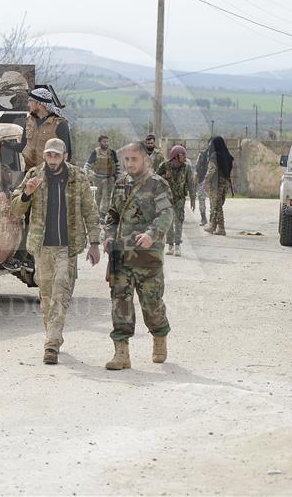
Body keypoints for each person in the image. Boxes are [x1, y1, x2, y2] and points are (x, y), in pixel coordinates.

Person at [10, 138, 101, 365]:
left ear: (65, 157)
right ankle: (54, 335)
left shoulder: (78, 177)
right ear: (45, 156)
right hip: (42, 247)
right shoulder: (34, 176)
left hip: (67, 248)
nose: (52, 159)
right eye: (49, 155)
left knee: (61, 291)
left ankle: (51, 344)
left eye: (56, 155)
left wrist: (95, 243)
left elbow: (90, 211)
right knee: (47, 297)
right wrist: (26, 195)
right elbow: (15, 210)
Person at [102, 141, 174, 370]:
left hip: (148, 259)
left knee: (152, 305)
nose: (130, 163)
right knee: (120, 304)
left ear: (145, 159)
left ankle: (160, 335)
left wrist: (152, 234)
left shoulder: (157, 185)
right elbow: (112, 215)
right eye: (127, 159)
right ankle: (121, 354)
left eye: (134, 159)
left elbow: (166, 213)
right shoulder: (121, 184)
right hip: (122, 257)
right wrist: (109, 236)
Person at [16, 86, 72, 169]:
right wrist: (6, 145)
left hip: (49, 174)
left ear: (39, 104)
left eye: (30, 101)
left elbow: (66, 154)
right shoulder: (29, 121)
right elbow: (23, 146)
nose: (28, 105)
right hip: (30, 172)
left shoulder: (60, 124)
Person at [157, 145, 196, 257]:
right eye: (182, 154)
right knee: (168, 221)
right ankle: (170, 245)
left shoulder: (186, 167)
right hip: (166, 198)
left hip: (179, 198)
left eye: (185, 154)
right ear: (175, 155)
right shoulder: (165, 165)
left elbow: (190, 183)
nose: (185, 156)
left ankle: (177, 245)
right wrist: (165, 176)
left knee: (179, 221)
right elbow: (154, 178)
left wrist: (193, 199)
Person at [204, 136, 235, 236]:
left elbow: (211, 169)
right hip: (225, 183)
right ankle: (213, 225)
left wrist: (206, 181)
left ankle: (221, 227)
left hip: (216, 184)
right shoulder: (227, 156)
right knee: (217, 205)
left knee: (216, 205)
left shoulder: (215, 155)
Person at [83, 135, 120, 216]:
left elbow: (117, 165)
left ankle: (104, 215)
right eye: (104, 141)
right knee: (97, 198)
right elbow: (87, 165)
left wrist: (118, 177)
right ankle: (96, 215)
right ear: (100, 142)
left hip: (109, 178)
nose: (106, 143)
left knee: (106, 198)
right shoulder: (95, 153)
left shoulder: (112, 153)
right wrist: (85, 174)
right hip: (97, 178)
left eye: (107, 141)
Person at [195, 146, 209, 226]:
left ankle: (211, 220)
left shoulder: (216, 155)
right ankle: (203, 218)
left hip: (210, 181)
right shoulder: (202, 154)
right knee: (201, 199)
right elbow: (197, 168)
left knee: (213, 202)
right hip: (203, 180)